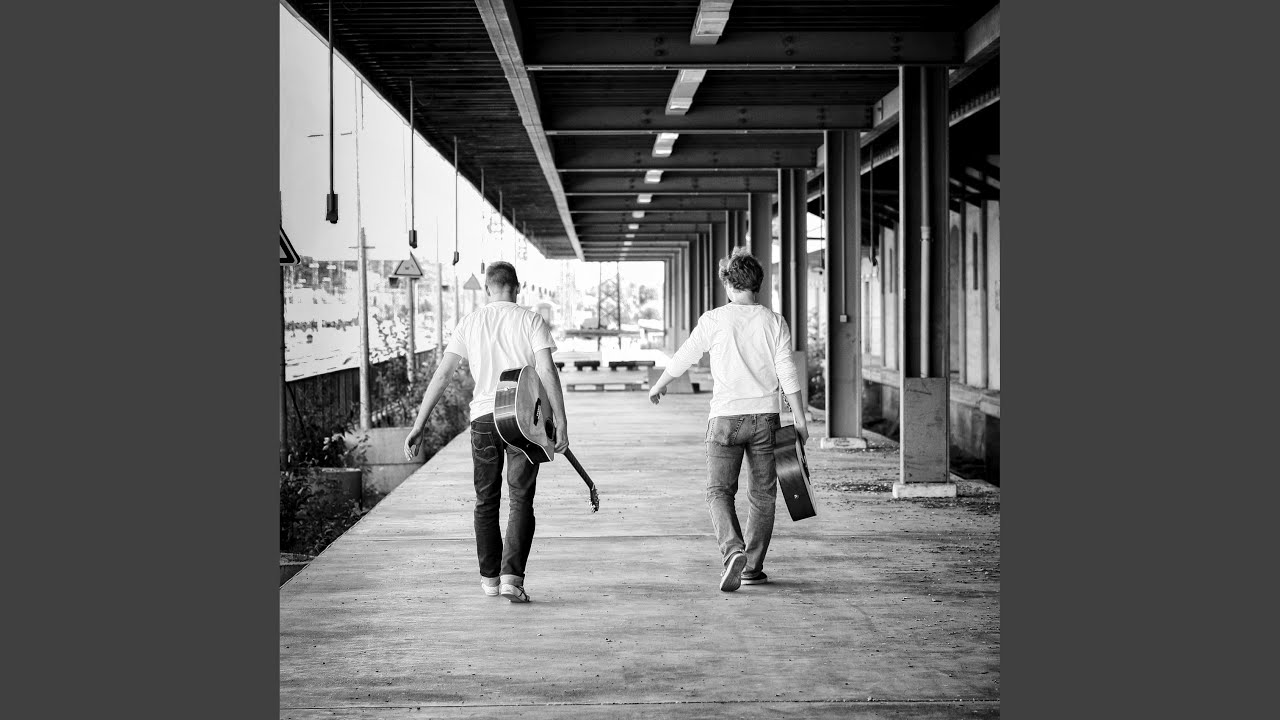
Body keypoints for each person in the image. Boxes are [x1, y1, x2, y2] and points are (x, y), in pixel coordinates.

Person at [403, 261, 568, 603]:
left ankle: (490, 579)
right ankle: (511, 579)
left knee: (486, 500)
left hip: (483, 419)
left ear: (487, 288)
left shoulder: (470, 322)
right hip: (523, 420)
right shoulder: (531, 320)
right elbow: (547, 370)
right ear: (517, 287)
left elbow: (443, 375)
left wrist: (419, 424)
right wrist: (561, 420)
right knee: (520, 499)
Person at [648, 247, 808, 592]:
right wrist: (800, 418)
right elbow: (786, 370)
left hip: (724, 417)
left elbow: (685, 355)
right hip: (766, 418)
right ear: (757, 284)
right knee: (763, 495)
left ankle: (733, 549)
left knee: (718, 491)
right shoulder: (774, 321)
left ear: (728, 284)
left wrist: (660, 385)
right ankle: (751, 567)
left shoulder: (714, 319)